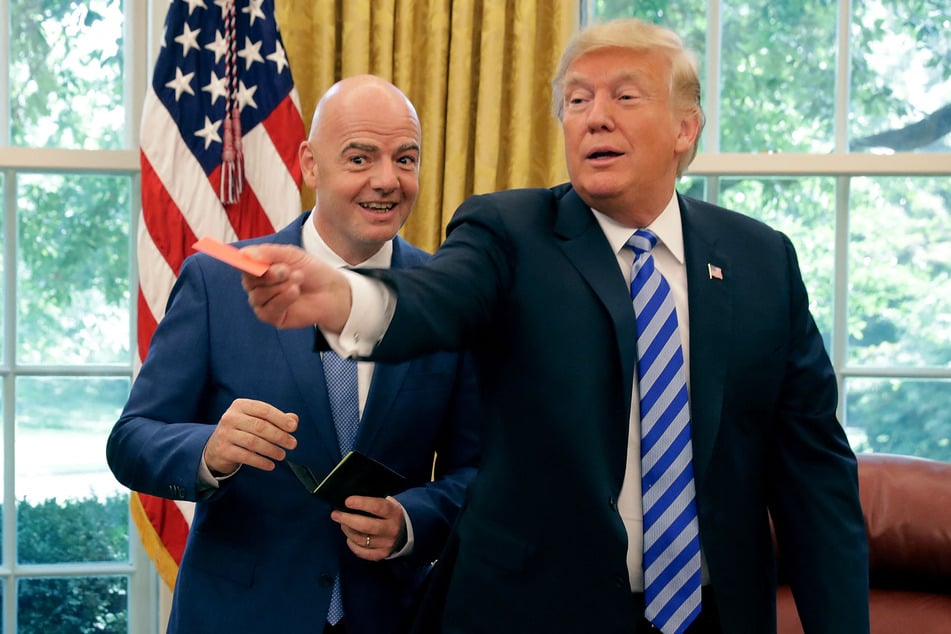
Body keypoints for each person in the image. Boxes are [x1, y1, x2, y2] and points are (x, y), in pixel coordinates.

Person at [239, 19, 870, 634]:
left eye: (624, 95)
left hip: (716, 612)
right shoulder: (510, 232)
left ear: (686, 128)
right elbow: (438, 297)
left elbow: (815, 477)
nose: (595, 115)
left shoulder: (761, 260)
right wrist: (349, 298)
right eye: (577, 99)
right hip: (538, 612)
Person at [107, 75, 480, 634]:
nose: (387, 179)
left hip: (391, 616)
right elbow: (131, 440)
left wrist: (410, 521)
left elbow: (478, 469)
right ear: (309, 164)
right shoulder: (218, 281)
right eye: (360, 158)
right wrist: (208, 449)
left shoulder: (450, 294)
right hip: (238, 615)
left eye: (406, 159)